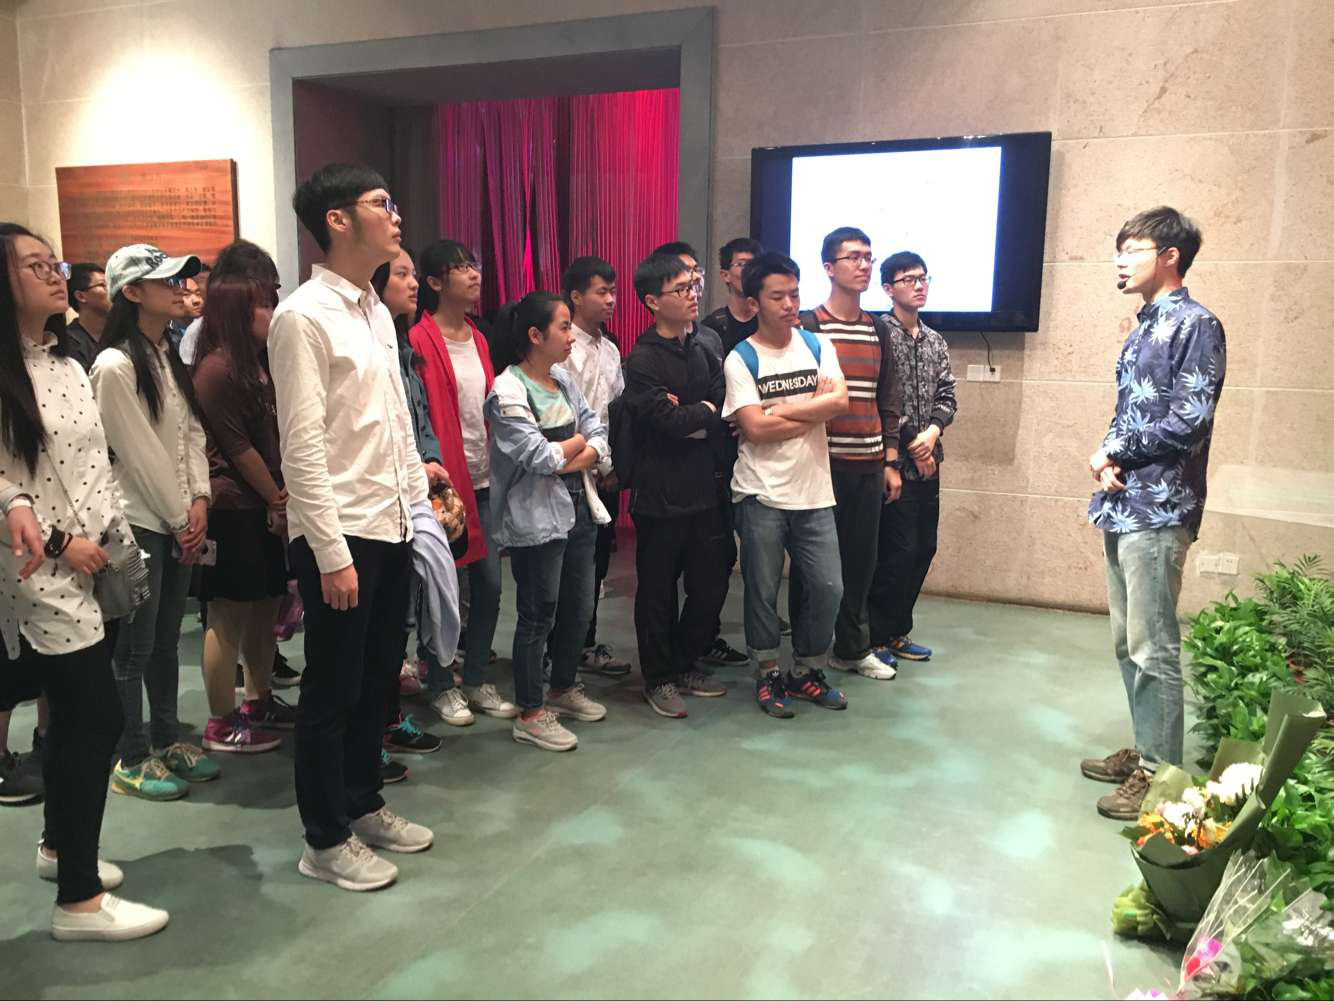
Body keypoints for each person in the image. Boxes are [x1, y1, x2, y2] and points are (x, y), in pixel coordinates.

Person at [1, 222, 169, 940]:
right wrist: (58, 540)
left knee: (76, 717)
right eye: (34, 265)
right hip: (36, 568)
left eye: (55, 263)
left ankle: (60, 847)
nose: (54, 274)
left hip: (92, 560)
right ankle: (77, 901)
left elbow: (94, 467)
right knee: (96, 717)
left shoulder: (67, 360)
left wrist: (110, 540)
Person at [270, 163, 434, 892]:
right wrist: (330, 552)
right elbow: (303, 444)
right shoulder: (303, 316)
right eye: (381, 203)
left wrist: (419, 512)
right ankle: (324, 837)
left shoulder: (373, 309)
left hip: (390, 522)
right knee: (332, 689)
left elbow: (392, 424)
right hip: (341, 533)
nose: (396, 215)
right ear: (337, 220)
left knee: (376, 681)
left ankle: (363, 801)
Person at [1081, 207, 1225, 822]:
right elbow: (1133, 412)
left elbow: (1189, 420)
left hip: (1163, 507)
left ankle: (1161, 776)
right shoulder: (1145, 325)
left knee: (1153, 646)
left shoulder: (1196, 324)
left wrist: (1115, 450)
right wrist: (1109, 459)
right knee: (1127, 642)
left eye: (1132, 249)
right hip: (1126, 502)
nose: (1119, 261)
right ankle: (1146, 750)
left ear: (1169, 256)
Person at [91, 243, 219, 801]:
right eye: (166, 281)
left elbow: (191, 434)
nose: (179, 288)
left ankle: (167, 739)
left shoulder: (165, 354)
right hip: (140, 523)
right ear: (132, 293)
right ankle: (131, 754)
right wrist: (179, 517)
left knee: (166, 642)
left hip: (176, 519)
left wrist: (199, 501)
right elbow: (137, 453)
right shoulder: (115, 365)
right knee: (134, 648)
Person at [723, 253, 850, 718]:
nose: (790, 304)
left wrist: (781, 410)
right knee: (761, 590)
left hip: (814, 491)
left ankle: (807, 669)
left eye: (794, 294)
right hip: (761, 492)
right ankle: (768, 671)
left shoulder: (817, 346)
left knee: (829, 586)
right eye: (777, 296)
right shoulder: (741, 358)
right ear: (753, 303)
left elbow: (840, 402)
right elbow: (754, 430)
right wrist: (812, 410)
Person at [485, 291, 611, 752]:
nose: (571, 336)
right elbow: (539, 458)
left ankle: (562, 686)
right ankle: (531, 712)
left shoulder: (563, 379)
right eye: (563, 327)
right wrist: (578, 447)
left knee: (578, 606)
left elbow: (599, 433)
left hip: (580, 505)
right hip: (536, 517)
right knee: (538, 614)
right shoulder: (507, 390)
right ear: (536, 335)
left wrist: (573, 450)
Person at [409, 240, 515, 726]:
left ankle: (474, 677)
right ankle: (438, 681)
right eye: (460, 268)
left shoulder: (479, 336)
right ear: (434, 282)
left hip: (484, 476)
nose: (474, 274)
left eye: (474, 264)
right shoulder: (419, 340)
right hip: (443, 483)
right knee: (442, 587)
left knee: (490, 585)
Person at [792, 227, 903, 681]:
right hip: (820, 467)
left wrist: (890, 460)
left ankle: (852, 649)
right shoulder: (808, 325)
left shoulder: (878, 328)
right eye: (853, 257)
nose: (863, 265)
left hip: (868, 465)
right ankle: (806, 655)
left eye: (868, 258)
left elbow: (888, 396)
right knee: (812, 569)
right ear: (828, 267)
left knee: (860, 564)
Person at [624, 254, 730, 718]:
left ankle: (686, 661)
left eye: (694, 286)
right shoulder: (643, 358)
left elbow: (722, 404)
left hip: (706, 484)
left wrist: (697, 412)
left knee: (711, 583)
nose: (693, 295)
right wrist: (700, 411)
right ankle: (659, 676)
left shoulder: (704, 346)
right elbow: (665, 421)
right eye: (681, 289)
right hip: (660, 489)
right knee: (658, 590)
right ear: (652, 301)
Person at [190, 277, 292, 754]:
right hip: (231, 506)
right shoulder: (217, 369)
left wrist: (277, 497)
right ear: (236, 312)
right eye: (263, 306)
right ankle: (220, 721)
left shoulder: (257, 364)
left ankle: (258, 700)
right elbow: (237, 446)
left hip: (265, 502)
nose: (272, 313)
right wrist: (275, 497)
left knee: (264, 607)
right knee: (227, 612)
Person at [370, 246, 451, 762]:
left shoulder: (402, 347)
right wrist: (415, 468)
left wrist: (432, 462)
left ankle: (387, 717)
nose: (413, 283)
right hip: (381, 501)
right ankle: (376, 727)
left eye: (414, 273)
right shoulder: (374, 347)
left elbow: (418, 420)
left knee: (399, 614)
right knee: (378, 628)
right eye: (401, 274)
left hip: (413, 492)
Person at [867, 252, 956, 666]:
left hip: (929, 459)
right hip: (893, 462)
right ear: (888, 288)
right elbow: (880, 396)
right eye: (909, 279)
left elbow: (947, 394)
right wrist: (911, 442)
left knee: (924, 548)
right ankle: (875, 636)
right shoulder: (879, 334)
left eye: (923, 278)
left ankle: (898, 630)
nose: (919, 286)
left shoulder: (935, 339)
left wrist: (932, 433)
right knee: (894, 551)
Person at [559, 255, 631, 678]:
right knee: (565, 566)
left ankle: (584, 644)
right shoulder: (564, 347)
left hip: (605, 473)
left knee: (598, 563)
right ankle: (556, 651)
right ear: (575, 296)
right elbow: (565, 414)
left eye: (613, 292)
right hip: (571, 470)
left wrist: (613, 465)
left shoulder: (611, 348)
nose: (610, 300)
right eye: (601, 292)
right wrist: (595, 460)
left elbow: (615, 411)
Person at [701, 237, 763, 357]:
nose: (750, 271)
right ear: (725, 275)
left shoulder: (769, 322)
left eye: (754, 265)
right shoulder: (712, 328)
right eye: (742, 264)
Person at [63, 263, 110, 372]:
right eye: (103, 285)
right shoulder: (68, 343)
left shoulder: (122, 332)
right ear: (81, 296)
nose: (112, 290)